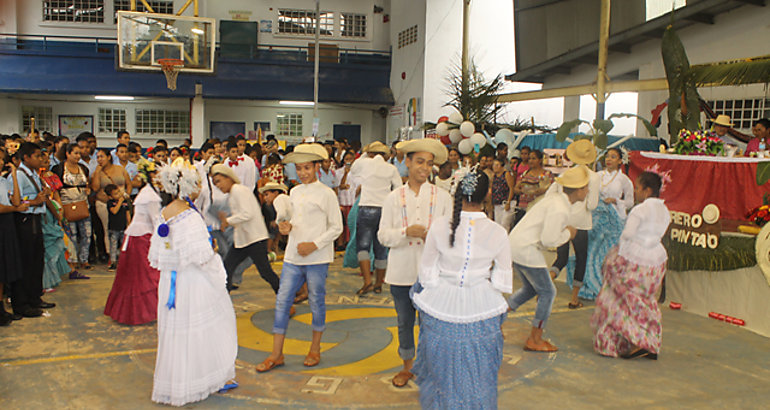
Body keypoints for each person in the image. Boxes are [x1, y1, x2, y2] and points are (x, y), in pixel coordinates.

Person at [411, 167, 513, 408]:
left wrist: (444, 286)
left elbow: (427, 273)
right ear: (487, 193)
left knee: (442, 375)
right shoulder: (498, 232)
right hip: (482, 307)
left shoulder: (438, 226)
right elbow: (502, 282)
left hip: (440, 306)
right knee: (480, 376)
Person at [148, 161, 237, 406]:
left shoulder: (166, 212)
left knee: (177, 331)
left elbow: (160, 253)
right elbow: (202, 257)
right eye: (197, 183)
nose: (201, 187)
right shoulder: (189, 215)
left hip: (171, 281)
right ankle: (199, 379)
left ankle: (177, 382)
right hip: (192, 282)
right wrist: (217, 268)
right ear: (188, 186)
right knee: (203, 327)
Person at [256, 143, 343, 372]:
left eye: (307, 168)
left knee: (316, 300)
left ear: (317, 167)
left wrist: (314, 245)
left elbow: (337, 228)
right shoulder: (293, 192)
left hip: (317, 258)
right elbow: (293, 220)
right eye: (299, 168)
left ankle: (315, 348)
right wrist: (286, 227)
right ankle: (276, 354)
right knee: (282, 300)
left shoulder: (327, 194)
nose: (303, 173)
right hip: (293, 257)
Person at [378, 138, 452, 388]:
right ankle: (407, 367)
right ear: (407, 162)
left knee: (432, 325)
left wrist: (430, 233)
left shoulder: (443, 197)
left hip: (433, 275)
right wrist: (405, 232)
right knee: (404, 323)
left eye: (429, 163)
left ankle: (430, 368)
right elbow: (383, 235)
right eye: (419, 161)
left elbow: (453, 234)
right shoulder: (393, 197)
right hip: (401, 273)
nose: (424, 167)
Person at [507, 165, 590, 352]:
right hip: (526, 248)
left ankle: (496, 320)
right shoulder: (560, 208)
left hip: (517, 245)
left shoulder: (555, 200)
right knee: (548, 292)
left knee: (531, 289)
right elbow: (548, 239)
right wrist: (568, 233)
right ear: (578, 190)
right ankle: (535, 338)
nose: (588, 191)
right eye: (586, 187)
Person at [591, 172, 669, 360]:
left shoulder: (640, 210)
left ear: (647, 190)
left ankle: (624, 341)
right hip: (656, 259)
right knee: (645, 301)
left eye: (638, 188)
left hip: (634, 258)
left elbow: (627, 235)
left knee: (616, 299)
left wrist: (616, 258)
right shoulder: (664, 210)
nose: (635, 191)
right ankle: (648, 343)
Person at [104, 161, 162, 325]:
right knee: (146, 277)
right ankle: (144, 311)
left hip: (135, 237)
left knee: (133, 277)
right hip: (142, 238)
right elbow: (156, 221)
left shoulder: (148, 192)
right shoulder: (150, 195)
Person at [210, 164, 281, 294]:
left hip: (254, 239)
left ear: (228, 178)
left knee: (265, 272)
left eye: (219, 181)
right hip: (244, 239)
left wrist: (228, 221)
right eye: (215, 184)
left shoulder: (238, 190)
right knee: (228, 267)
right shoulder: (234, 192)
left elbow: (247, 214)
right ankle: (223, 297)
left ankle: (284, 295)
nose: (218, 186)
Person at [575, 148, 633, 300]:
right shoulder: (597, 176)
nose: (609, 160)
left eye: (613, 157)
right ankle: (591, 286)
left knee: (608, 255)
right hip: (596, 219)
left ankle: (609, 288)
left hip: (614, 221)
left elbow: (630, 201)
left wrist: (616, 201)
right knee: (592, 252)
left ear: (620, 161)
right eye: (607, 156)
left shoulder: (624, 180)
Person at [548, 140, 600, 308]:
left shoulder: (565, 175)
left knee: (561, 257)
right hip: (581, 223)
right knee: (581, 258)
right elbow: (592, 205)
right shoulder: (594, 177)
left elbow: (550, 194)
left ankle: (544, 286)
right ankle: (574, 299)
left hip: (563, 220)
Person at [349, 141, 402, 295]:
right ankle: (379, 283)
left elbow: (353, 169)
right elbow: (398, 188)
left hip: (365, 208)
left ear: (371, 154)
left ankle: (367, 281)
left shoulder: (365, 163)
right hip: (383, 209)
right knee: (381, 248)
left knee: (363, 247)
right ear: (385, 155)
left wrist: (366, 152)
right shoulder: (391, 168)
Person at [11, 143, 56, 318]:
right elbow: (15, 201)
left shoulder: (35, 175)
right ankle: (22, 304)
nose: (41, 159)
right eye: (37, 156)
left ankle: (35, 297)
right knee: (26, 262)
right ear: (26, 158)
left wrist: (44, 194)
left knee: (37, 261)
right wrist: (34, 201)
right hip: (25, 221)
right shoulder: (18, 176)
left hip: (37, 220)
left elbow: (38, 197)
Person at [52, 143, 92, 274]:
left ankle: (84, 259)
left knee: (87, 233)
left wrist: (88, 190)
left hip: (83, 204)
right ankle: (72, 260)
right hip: (66, 205)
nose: (78, 156)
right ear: (67, 153)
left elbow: (88, 183)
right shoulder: (58, 169)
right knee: (72, 235)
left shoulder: (83, 168)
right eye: (75, 153)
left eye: (79, 153)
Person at [0, 152, 28, 324]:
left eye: (1, 159)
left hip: (6, 226)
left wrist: (15, 176)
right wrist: (15, 210)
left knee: (3, 270)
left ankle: (1, 309)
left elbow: (16, 200)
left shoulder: (3, 181)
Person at [91, 148, 132, 263]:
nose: (99, 159)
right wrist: (98, 172)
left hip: (122, 203)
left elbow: (128, 184)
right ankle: (110, 255)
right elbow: (95, 188)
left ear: (109, 157)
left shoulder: (119, 169)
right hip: (104, 204)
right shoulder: (97, 171)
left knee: (124, 228)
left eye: (102, 156)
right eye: (97, 157)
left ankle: (123, 254)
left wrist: (126, 197)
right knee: (108, 229)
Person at [513, 149, 554, 223]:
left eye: (533, 158)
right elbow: (516, 188)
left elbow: (550, 190)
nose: (531, 161)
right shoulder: (525, 173)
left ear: (540, 160)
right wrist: (521, 191)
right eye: (529, 158)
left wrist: (538, 191)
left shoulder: (546, 174)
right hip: (523, 209)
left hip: (538, 209)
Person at [105, 184, 131, 271]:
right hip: (113, 228)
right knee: (113, 246)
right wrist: (120, 202)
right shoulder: (110, 203)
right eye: (115, 194)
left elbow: (127, 213)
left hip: (123, 227)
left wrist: (129, 224)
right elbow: (114, 211)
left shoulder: (125, 202)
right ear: (110, 196)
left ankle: (124, 262)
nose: (119, 194)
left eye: (119, 192)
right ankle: (113, 262)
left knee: (124, 245)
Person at [490, 157, 516, 232]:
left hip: (506, 202)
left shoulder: (506, 174)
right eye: (494, 165)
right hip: (497, 203)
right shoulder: (494, 176)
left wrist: (508, 202)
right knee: (498, 225)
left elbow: (511, 188)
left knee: (505, 224)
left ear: (502, 166)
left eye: (497, 165)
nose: (495, 167)